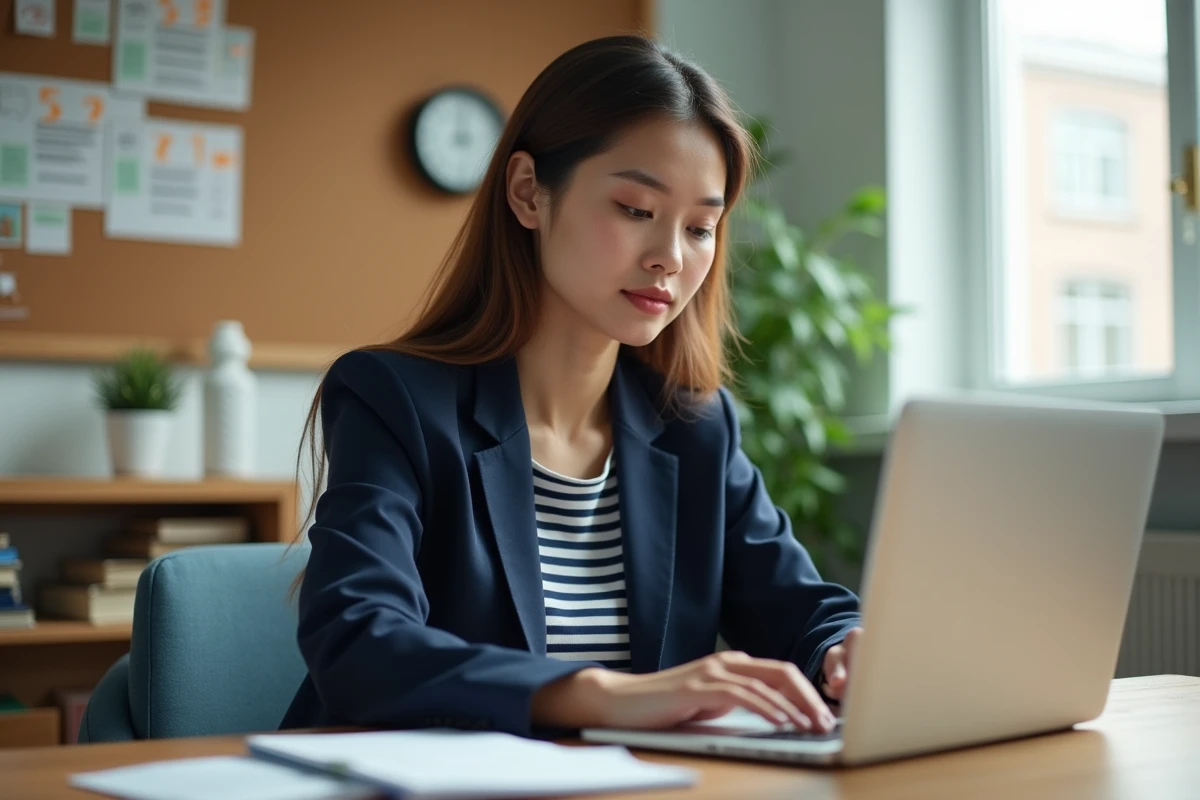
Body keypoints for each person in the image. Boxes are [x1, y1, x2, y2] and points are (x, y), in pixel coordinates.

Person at [280, 34, 863, 739]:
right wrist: (596, 693)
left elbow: (802, 609)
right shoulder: (395, 399)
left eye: (701, 228)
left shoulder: (698, 427)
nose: (670, 259)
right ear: (529, 192)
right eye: (635, 210)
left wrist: (845, 648)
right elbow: (358, 643)